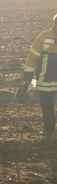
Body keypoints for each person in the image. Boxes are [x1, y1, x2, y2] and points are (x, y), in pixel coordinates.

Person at [22, 14, 57, 144]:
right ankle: (48, 133)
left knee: (47, 107)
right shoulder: (43, 37)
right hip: (45, 82)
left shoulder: (43, 37)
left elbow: (32, 59)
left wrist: (27, 79)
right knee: (47, 108)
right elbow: (32, 58)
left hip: (45, 81)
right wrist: (27, 79)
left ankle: (49, 134)